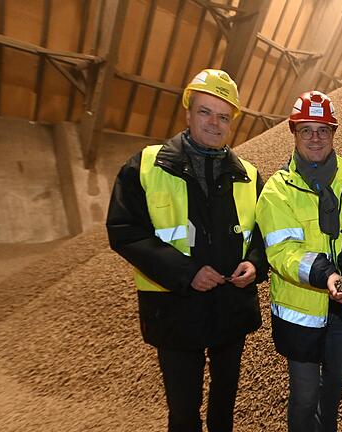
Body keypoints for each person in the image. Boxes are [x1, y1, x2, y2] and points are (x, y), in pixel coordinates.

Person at [106, 68, 268, 432]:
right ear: (188, 113)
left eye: (223, 116)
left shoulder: (249, 175)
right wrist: (185, 272)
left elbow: (265, 233)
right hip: (175, 309)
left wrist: (255, 264)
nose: (214, 123)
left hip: (230, 308)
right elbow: (124, 231)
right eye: (205, 111)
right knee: (183, 411)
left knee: (224, 406)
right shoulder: (146, 166)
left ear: (232, 123)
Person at [255, 90, 342, 432]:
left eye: (323, 130)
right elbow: (283, 252)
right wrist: (327, 276)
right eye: (306, 130)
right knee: (305, 396)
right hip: (303, 313)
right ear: (294, 133)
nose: (315, 137)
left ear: (333, 133)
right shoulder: (277, 191)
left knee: (334, 389)